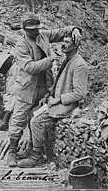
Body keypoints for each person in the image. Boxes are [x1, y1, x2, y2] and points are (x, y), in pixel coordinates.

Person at [7, 12, 83, 167]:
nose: (34, 32)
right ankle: (12, 151)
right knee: (19, 119)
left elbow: (62, 32)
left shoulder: (43, 36)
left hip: (45, 87)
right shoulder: (21, 44)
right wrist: (49, 60)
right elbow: (29, 67)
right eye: (30, 30)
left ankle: (32, 149)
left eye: (36, 28)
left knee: (35, 118)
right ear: (24, 29)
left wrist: (75, 29)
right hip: (27, 88)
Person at [17, 33, 88, 168]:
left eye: (67, 42)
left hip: (66, 106)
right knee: (32, 113)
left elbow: (80, 94)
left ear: (75, 45)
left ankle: (36, 157)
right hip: (57, 101)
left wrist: (57, 100)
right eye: (63, 41)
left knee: (36, 121)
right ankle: (32, 147)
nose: (63, 44)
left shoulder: (79, 65)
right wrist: (48, 95)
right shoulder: (68, 59)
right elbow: (59, 83)